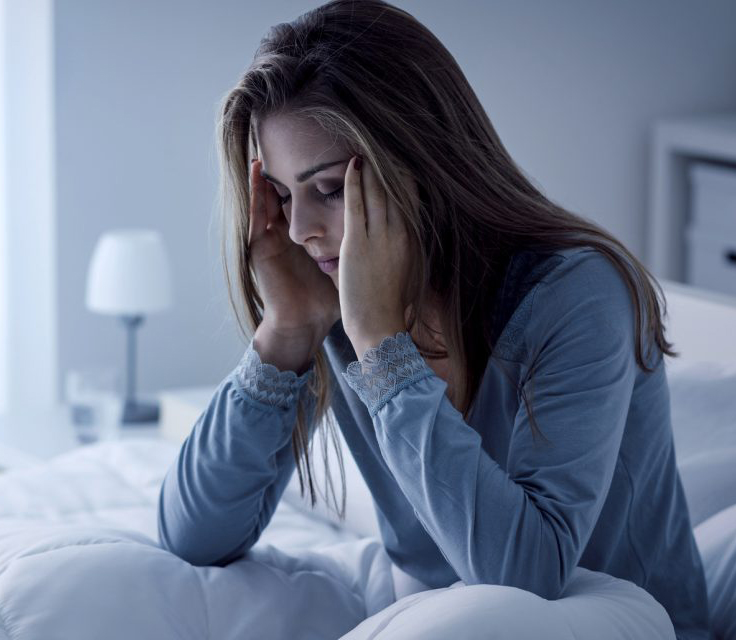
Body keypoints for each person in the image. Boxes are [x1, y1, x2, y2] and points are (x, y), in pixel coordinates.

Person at [157, 1, 711, 638]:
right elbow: (191, 537)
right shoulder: (334, 298)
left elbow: (527, 577)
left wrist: (382, 348)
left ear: (422, 162)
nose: (303, 230)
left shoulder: (578, 295)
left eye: (331, 189)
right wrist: (285, 329)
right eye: (282, 197)